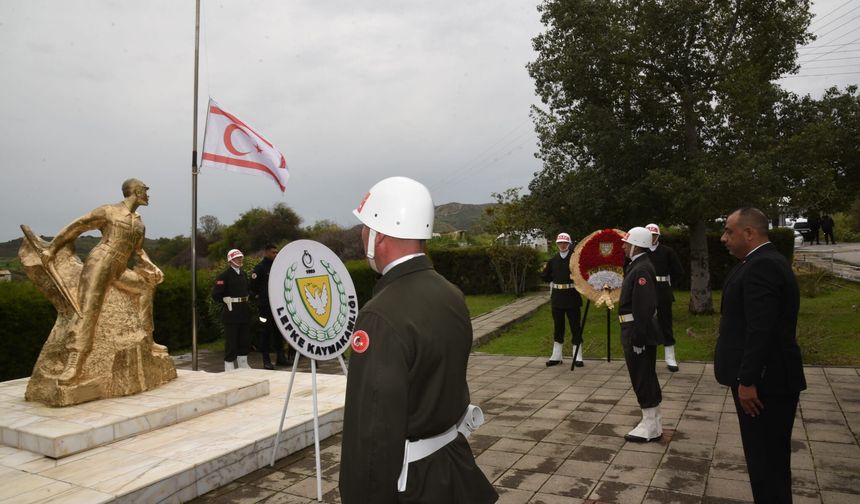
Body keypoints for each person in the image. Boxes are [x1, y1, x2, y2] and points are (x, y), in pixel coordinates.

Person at [339, 176, 497, 504]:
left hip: (411, 485)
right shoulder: (449, 293)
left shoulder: (380, 315)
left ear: (378, 235)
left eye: (365, 226)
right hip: (451, 468)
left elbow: (372, 433)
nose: (362, 234)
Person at [716, 207, 806, 503]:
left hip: (765, 385)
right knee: (766, 464)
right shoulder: (757, 261)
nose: (723, 238)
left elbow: (761, 330)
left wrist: (747, 380)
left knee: (767, 465)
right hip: (767, 380)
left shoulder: (762, 266)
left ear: (749, 232)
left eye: (729, 231)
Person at [40, 178, 164, 383]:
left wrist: (153, 267)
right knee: (88, 309)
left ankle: (147, 339)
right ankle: (75, 361)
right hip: (100, 262)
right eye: (144, 190)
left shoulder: (139, 223)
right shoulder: (109, 211)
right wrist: (52, 248)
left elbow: (139, 252)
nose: (148, 193)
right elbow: (77, 226)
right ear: (134, 191)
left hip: (119, 268)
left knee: (145, 287)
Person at [619, 226, 663, 442]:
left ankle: (650, 426)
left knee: (642, 376)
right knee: (644, 375)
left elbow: (644, 307)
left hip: (636, 330)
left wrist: (639, 337)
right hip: (633, 328)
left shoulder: (642, 269)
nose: (624, 245)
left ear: (636, 245)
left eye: (627, 243)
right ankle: (652, 422)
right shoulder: (636, 265)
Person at [644, 224, 684, 372]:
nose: (652, 238)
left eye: (654, 235)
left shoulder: (667, 251)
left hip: (662, 290)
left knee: (666, 323)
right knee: (645, 323)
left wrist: (668, 285)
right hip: (645, 290)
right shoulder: (641, 252)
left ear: (658, 236)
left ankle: (670, 357)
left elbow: (678, 271)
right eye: (649, 235)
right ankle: (647, 357)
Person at [541, 232, 584, 367]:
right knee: (558, 327)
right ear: (557, 244)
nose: (562, 245)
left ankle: (577, 355)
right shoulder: (553, 260)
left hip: (572, 297)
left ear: (569, 243)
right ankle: (556, 356)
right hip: (558, 298)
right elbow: (546, 276)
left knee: (575, 327)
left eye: (565, 243)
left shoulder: (575, 259)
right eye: (560, 243)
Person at [249, 243, 293, 370]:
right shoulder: (260, 268)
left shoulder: (278, 267)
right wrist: (259, 297)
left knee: (279, 332)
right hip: (265, 308)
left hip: (278, 306)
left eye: (277, 252)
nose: (276, 254)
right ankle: (266, 361)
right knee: (265, 333)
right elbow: (252, 287)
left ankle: (281, 358)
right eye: (273, 252)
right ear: (267, 252)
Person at [212, 249, 252, 372]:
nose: (239, 260)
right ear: (230, 260)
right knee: (231, 341)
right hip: (232, 312)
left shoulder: (243, 274)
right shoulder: (224, 276)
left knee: (244, 338)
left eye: (240, 258)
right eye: (236, 258)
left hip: (244, 310)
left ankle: (243, 363)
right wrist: (224, 299)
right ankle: (229, 364)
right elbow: (215, 294)